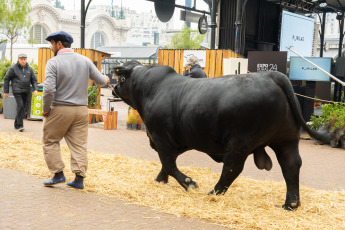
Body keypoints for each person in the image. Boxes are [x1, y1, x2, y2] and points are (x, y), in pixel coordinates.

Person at [42, 31, 110, 189]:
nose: (51, 47)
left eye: (52, 43)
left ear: (59, 44)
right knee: (79, 144)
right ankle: (79, 179)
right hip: (81, 110)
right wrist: (106, 79)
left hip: (60, 109)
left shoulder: (53, 62)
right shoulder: (85, 60)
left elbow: (49, 90)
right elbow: (101, 81)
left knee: (50, 141)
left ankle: (58, 174)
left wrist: (46, 109)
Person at [3, 53, 38, 132]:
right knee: (21, 105)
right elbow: (6, 79)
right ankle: (20, 125)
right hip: (17, 91)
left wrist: (35, 89)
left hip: (26, 91)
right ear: (18, 59)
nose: (23, 61)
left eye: (24, 59)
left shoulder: (30, 69)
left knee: (22, 108)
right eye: (21, 59)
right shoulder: (13, 68)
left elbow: (34, 80)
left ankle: (16, 123)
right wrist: (6, 91)